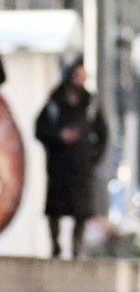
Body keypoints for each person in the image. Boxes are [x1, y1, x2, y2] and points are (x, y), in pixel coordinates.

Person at [34, 60, 105, 259]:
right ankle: (55, 245)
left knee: (81, 210)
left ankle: (76, 247)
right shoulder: (54, 102)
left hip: (81, 165)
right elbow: (40, 129)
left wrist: (94, 156)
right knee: (55, 208)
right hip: (59, 165)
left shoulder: (90, 103)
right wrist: (59, 136)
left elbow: (103, 133)